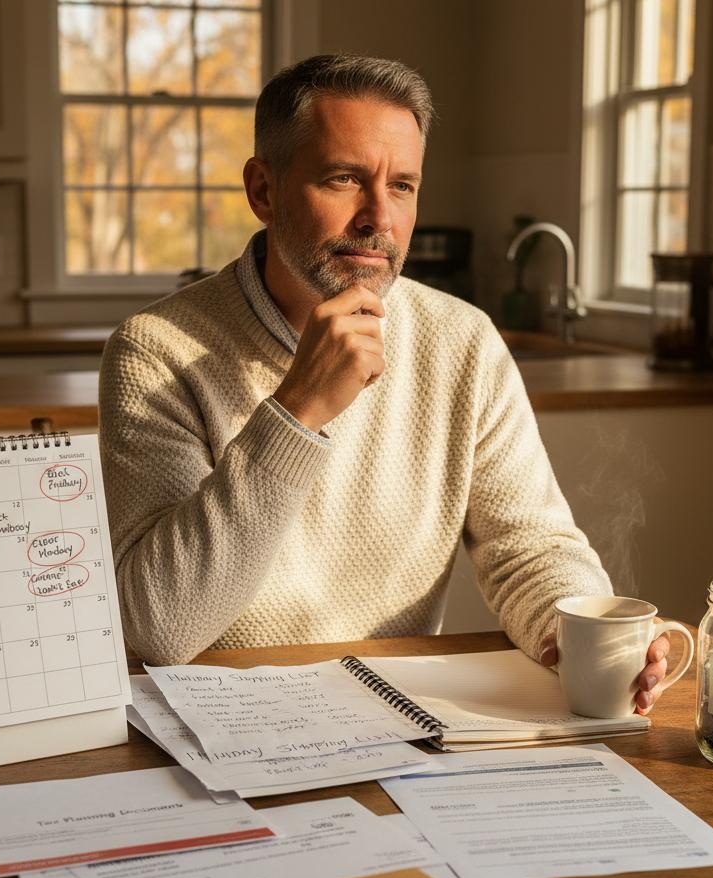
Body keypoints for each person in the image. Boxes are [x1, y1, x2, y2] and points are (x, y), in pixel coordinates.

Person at [99, 54, 671, 712]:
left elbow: (530, 546)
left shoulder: (462, 341)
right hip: (209, 728)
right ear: (264, 190)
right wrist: (297, 412)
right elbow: (158, 628)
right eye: (344, 179)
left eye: (402, 185)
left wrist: (572, 628)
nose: (379, 217)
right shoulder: (153, 350)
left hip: (396, 721)